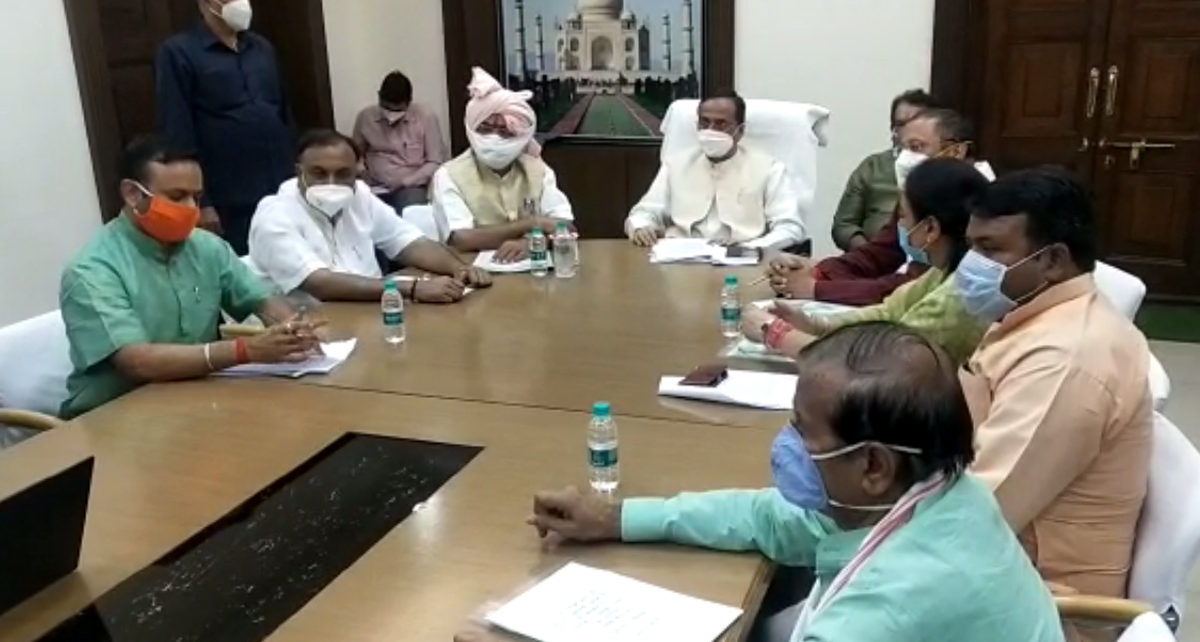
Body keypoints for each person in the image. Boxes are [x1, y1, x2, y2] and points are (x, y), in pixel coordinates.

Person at [455, 323, 1065, 642]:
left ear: (874, 465)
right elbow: (766, 518)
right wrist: (614, 518)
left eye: (802, 431)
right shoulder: (939, 495)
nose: (787, 444)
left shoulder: (887, 605)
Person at [959, 167, 1151, 606]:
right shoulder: (1033, 318)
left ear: (1053, 260)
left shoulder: (1065, 359)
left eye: (990, 249)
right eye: (972, 247)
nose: (972, 266)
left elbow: (984, 513)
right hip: (999, 568)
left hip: (1042, 602)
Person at [59, 136, 320, 419]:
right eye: (176, 197)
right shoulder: (92, 270)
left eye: (196, 198)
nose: (191, 209)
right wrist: (245, 350)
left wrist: (292, 329)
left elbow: (262, 300)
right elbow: (137, 362)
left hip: (194, 398)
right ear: (132, 194)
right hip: (113, 415)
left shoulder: (207, 247)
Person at [743, 158, 990, 365]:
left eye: (903, 216)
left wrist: (777, 335)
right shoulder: (944, 268)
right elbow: (888, 312)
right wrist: (814, 325)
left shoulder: (959, 295)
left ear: (931, 228)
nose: (899, 225)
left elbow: (878, 364)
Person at [767, 108, 995, 306]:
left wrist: (816, 288)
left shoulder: (982, 207)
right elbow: (877, 256)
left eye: (916, 147)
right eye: (901, 148)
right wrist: (816, 271)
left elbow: (909, 287)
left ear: (956, 151)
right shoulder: (917, 192)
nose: (905, 158)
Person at [248, 130, 492, 303]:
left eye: (343, 174)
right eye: (319, 174)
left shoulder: (359, 195)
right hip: (308, 331)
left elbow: (408, 242)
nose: (331, 183)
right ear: (299, 172)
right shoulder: (274, 214)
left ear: (357, 173)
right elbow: (318, 284)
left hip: (372, 313)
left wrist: (458, 269)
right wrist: (412, 288)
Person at [156, 0, 295, 255]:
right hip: (228, 195)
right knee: (243, 266)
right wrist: (202, 202)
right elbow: (178, 130)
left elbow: (283, 113)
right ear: (205, 4)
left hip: (280, 187)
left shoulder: (262, 48)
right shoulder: (178, 52)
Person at [625, 89, 806, 249]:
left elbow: (790, 228)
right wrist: (641, 227)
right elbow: (644, 212)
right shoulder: (676, 164)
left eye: (721, 124)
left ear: (740, 131)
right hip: (679, 257)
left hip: (742, 260)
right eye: (704, 123)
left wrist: (750, 247)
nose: (710, 130)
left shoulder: (769, 169)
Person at [431, 67, 573, 263]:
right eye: (486, 129)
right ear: (472, 128)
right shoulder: (449, 175)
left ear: (521, 135)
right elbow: (461, 238)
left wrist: (530, 243)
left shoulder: (539, 171)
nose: (495, 138)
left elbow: (565, 226)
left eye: (505, 131)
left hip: (534, 270)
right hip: (474, 272)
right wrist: (532, 224)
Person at [831, 89, 940, 251]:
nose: (908, 130)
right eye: (901, 124)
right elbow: (843, 225)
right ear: (893, 130)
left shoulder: (945, 169)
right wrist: (869, 254)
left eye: (915, 122)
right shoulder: (873, 166)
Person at [352, 70, 448, 212]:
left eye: (397, 110)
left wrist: (405, 182)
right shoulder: (365, 117)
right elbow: (354, 155)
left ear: (409, 102)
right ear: (379, 97)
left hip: (411, 186)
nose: (391, 115)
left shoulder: (426, 117)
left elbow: (435, 161)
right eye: (387, 108)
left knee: (411, 210)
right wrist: (362, 172)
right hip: (374, 186)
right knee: (361, 210)